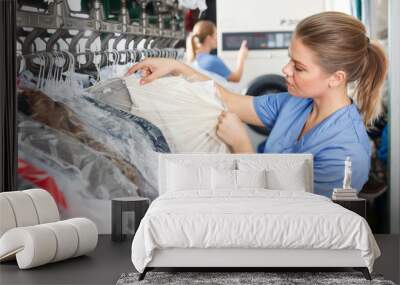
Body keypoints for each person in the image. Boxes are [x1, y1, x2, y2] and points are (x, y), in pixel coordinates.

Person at [127, 11, 388, 198]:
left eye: (298, 67)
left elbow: (292, 220)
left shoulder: (346, 153)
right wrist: (176, 67)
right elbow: (227, 99)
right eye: (289, 59)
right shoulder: (295, 104)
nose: (285, 70)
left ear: (336, 78)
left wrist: (241, 144)